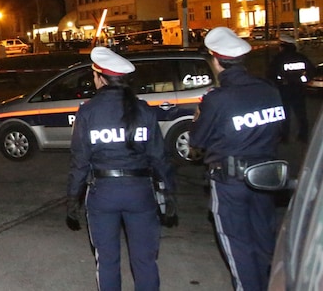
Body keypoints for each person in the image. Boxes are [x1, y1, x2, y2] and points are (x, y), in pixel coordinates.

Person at [66, 46, 176, 291]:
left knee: (107, 261)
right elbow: (159, 157)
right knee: (145, 261)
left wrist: (73, 198)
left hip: (103, 194)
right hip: (140, 193)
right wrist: (169, 192)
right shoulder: (145, 111)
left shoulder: (88, 112)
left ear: (99, 77)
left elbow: (80, 162)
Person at [189, 27, 284, 291]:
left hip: (231, 182)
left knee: (238, 246)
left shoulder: (217, 100)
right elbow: (280, 131)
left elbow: (197, 142)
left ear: (216, 60)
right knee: (265, 241)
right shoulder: (269, 91)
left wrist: (200, 115)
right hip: (266, 178)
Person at [268, 34, 314, 143]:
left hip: (284, 90)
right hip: (299, 89)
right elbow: (311, 70)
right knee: (301, 113)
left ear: (283, 46)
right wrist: (303, 80)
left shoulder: (278, 58)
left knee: (285, 114)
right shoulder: (301, 57)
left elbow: (271, 74)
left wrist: (278, 83)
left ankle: (284, 137)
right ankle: (303, 135)